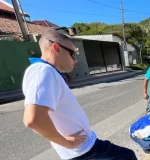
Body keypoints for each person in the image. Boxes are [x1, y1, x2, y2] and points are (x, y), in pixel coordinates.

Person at [22, 29, 136, 160]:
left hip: (83, 146)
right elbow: (33, 120)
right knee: (128, 156)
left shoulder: (47, 71)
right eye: (73, 54)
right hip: (82, 150)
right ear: (56, 48)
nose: (75, 60)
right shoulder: (42, 71)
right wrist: (68, 143)